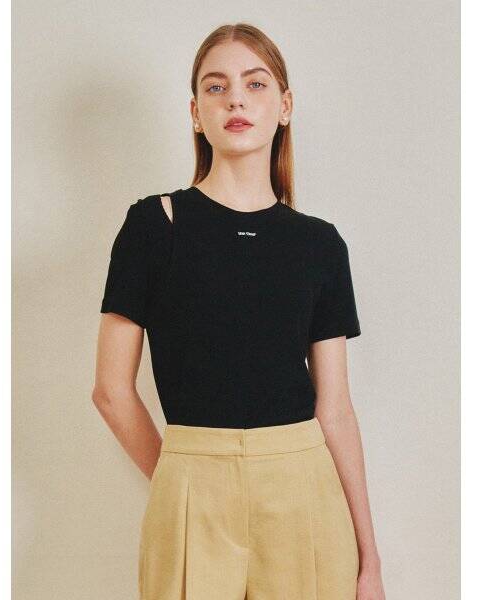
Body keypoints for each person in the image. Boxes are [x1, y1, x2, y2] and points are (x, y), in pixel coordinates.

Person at [92, 22, 385, 600]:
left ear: (285, 105)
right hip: (192, 486)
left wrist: (369, 558)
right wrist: (179, 477)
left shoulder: (319, 244)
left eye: (255, 84)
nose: (236, 100)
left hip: (304, 492)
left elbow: (335, 409)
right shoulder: (154, 225)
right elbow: (110, 390)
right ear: (196, 113)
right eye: (216, 86)